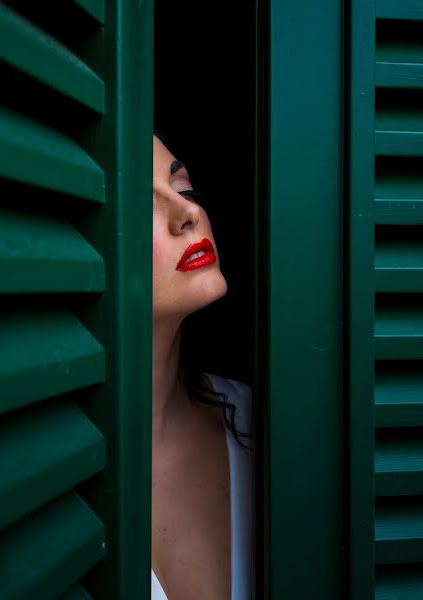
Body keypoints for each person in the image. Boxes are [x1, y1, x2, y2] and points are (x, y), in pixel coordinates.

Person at [151, 134, 253, 600]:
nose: (188, 213)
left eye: (184, 189)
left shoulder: (264, 427)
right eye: (139, 205)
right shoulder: (31, 482)